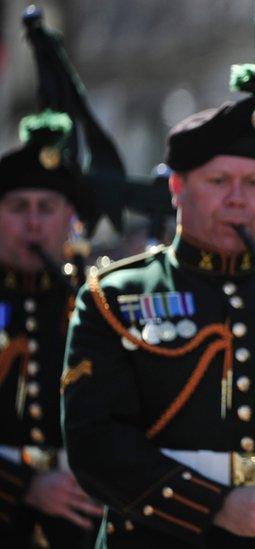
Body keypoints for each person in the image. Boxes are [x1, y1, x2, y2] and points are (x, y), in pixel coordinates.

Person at [61, 66, 255, 548]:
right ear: (177, 188)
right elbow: (96, 443)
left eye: (254, 183)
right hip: (161, 533)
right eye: (219, 181)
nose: (238, 200)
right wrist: (215, 506)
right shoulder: (115, 296)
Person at [0, 111, 102, 547]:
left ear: (69, 218)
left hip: (81, 520)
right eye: (18, 208)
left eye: (47, 208)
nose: (34, 222)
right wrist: (23, 485)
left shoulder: (96, 302)